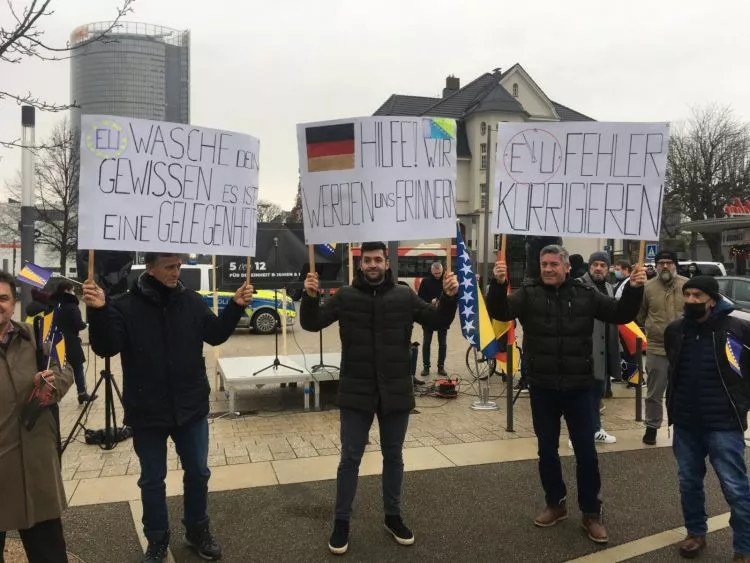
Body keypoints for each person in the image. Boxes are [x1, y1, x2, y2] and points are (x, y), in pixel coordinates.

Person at [82, 253, 254, 563]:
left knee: (198, 473)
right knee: (152, 480)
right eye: (169, 267)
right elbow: (106, 347)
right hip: (147, 410)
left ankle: (197, 529)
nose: (176, 272)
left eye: (179, 266)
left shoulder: (192, 301)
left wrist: (236, 305)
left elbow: (215, 335)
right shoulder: (124, 305)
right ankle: (157, 539)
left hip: (191, 406)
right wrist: (98, 311)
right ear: (150, 268)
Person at [300, 241, 458, 556]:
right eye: (367, 260)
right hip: (356, 391)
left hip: (395, 390)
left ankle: (392, 516)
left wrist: (450, 298)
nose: (372, 265)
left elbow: (438, 321)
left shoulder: (404, 295)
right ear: (361, 265)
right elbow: (311, 323)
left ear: (387, 263)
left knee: (394, 457)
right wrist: (309, 296)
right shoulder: (346, 296)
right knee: (350, 459)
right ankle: (341, 521)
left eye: (377, 260)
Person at [487, 245, 645, 544]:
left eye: (553, 264)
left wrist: (635, 289)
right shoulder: (529, 293)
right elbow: (500, 311)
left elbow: (621, 313)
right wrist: (497, 284)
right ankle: (555, 503)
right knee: (547, 451)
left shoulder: (585, 294)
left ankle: (591, 512)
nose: (548, 269)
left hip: (580, 388)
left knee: (586, 453)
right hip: (543, 387)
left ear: (566, 267)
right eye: (544, 264)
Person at [664, 275, 750, 562]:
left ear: (712, 300)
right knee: (688, 482)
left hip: (723, 424)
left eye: (697, 296)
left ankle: (744, 548)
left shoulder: (736, 329)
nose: (691, 300)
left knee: (735, 488)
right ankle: (695, 533)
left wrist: (743, 403)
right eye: (687, 294)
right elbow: (674, 368)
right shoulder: (676, 330)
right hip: (686, 423)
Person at [0, 270, 74, 562]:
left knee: (49, 554)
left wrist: (52, 384)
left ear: (14, 303)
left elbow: (64, 365)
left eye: (3, 298)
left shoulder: (40, 332)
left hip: (36, 467)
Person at [637, 250, 687, 446]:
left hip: (684, 348)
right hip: (657, 347)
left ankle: (682, 427)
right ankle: (651, 427)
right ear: (656, 266)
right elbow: (640, 315)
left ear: (675, 264)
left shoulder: (687, 285)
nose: (665, 266)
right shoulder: (647, 288)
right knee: (654, 392)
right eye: (661, 263)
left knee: (684, 391)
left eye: (669, 262)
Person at [577, 252, 620, 445]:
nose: (599, 268)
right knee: (584, 397)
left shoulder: (609, 287)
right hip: (586, 350)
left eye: (603, 265)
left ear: (608, 268)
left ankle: (595, 429)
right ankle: (578, 434)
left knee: (597, 395)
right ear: (589, 266)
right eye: (595, 264)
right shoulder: (579, 285)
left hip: (604, 350)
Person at [52, 282, 97, 405]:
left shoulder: (54, 305)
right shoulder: (72, 306)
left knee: (57, 369)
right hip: (71, 341)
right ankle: (82, 393)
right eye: (72, 290)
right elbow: (78, 324)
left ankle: (54, 394)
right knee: (78, 367)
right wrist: (85, 325)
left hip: (56, 340)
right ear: (67, 291)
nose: (73, 292)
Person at [417, 261, 448, 377]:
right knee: (426, 343)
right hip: (428, 316)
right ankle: (426, 367)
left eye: (439, 273)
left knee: (443, 344)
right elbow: (419, 299)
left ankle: (441, 367)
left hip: (442, 316)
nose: (437, 275)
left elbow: (452, 297)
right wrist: (430, 302)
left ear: (442, 271)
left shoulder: (446, 280)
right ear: (431, 271)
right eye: (435, 273)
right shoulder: (425, 281)